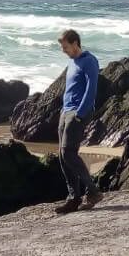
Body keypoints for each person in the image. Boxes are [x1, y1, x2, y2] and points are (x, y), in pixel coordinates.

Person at [54, 29, 101, 214]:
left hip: (78, 112)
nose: (63, 50)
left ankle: (93, 191)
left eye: (65, 47)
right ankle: (74, 198)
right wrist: (64, 111)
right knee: (62, 155)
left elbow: (91, 90)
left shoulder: (89, 61)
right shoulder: (72, 62)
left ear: (75, 44)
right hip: (66, 112)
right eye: (62, 47)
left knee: (68, 152)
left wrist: (80, 114)